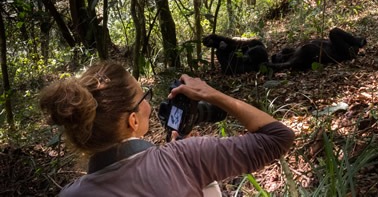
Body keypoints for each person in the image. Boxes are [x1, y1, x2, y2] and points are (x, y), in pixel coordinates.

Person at [39, 62, 295, 196]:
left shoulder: (71, 194)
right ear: (132, 121)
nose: (149, 104)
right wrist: (211, 93)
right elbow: (278, 137)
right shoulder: (185, 158)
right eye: (143, 97)